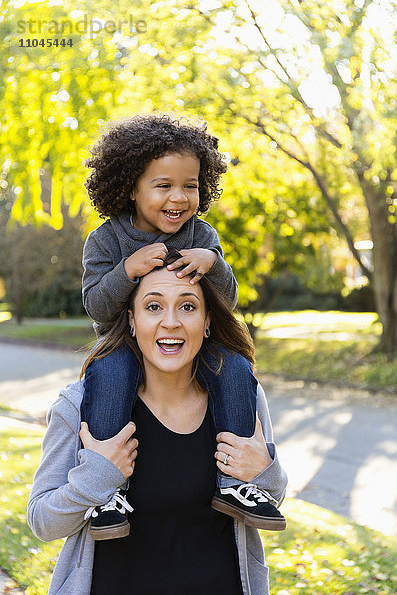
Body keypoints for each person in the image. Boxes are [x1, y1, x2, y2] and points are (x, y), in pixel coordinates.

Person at [27, 250, 288, 595]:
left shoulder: (241, 399)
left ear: (208, 320)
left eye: (188, 306)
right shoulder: (80, 407)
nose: (171, 322)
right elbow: (42, 521)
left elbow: (270, 497)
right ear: (132, 320)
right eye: (153, 306)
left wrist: (267, 471)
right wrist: (96, 476)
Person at [80, 113, 286, 539]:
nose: (179, 197)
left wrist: (214, 264)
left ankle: (235, 484)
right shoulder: (105, 241)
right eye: (163, 185)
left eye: (190, 185)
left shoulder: (202, 236)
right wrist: (125, 271)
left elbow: (223, 305)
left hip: (193, 347)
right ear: (131, 188)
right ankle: (107, 493)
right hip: (125, 345)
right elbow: (98, 308)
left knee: (234, 366)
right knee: (108, 373)